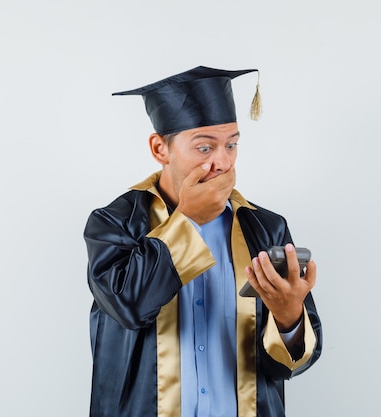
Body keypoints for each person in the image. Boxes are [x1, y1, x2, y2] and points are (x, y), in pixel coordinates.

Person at [84, 66, 323, 417]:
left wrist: (288, 321)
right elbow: (127, 307)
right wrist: (188, 219)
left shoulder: (265, 228)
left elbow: (287, 368)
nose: (222, 162)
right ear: (160, 149)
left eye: (231, 144)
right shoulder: (115, 223)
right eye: (204, 147)